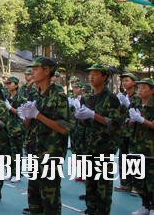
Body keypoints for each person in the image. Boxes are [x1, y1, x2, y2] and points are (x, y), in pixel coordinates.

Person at [19, 57, 70, 215]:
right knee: (33, 197)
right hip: (34, 150)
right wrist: (27, 116)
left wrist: (38, 115)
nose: (32, 72)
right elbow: (28, 125)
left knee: (49, 198)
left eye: (36, 69)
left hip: (50, 153)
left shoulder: (58, 95)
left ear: (47, 71)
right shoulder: (34, 93)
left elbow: (64, 129)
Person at [73, 64, 121, 215]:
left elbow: (115, 124)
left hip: (103, 148)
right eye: (90, 74)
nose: (91, 77)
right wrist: (80, 117)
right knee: (90, 185)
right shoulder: (89, 97)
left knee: (103, 188)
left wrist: (94, 115)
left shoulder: (111, 99)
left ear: (104, 77)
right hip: (88, 147)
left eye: (95, 74)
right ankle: (91, 209)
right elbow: (85, 122)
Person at [128, 78, 154, 215]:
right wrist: (131, 120)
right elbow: (128, 124)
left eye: (144, 88)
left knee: (151, 182)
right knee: (138, 180)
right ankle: (145, 205)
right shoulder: (135, 103)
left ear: (152, 90)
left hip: (150, 149)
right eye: (139, 88)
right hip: (135, 147)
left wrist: (142, 120)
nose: (140, 90)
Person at [115, 72, 140, 193]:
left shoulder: (138, 96)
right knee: (123, 157)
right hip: (123, 131)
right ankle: (125, 183)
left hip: (135, 132)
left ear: (134, 82)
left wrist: (128, 104)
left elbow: (140, 113)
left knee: (134, 158)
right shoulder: (122, 95)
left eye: (127, 80)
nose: (124, 82)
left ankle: (136, 185)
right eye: (123, 81)